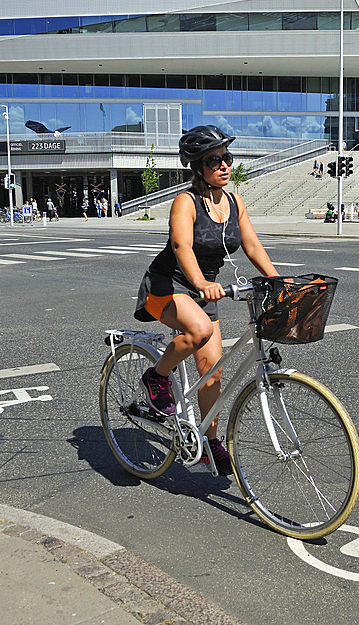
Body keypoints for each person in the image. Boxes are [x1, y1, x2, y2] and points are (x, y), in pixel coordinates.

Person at [133, 125, 280, 475]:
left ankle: (209, 443)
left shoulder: (233, 201)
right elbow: (182, 247)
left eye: (227, 157)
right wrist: (200, 282)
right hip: (169, 284)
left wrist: (276, 280)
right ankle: (156, 377)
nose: (225, 165)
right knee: (198, 329)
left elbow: (252, 244)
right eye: (215, 160)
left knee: (212, 372)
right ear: (198, 167)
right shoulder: (185, 202)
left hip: (205, 288)